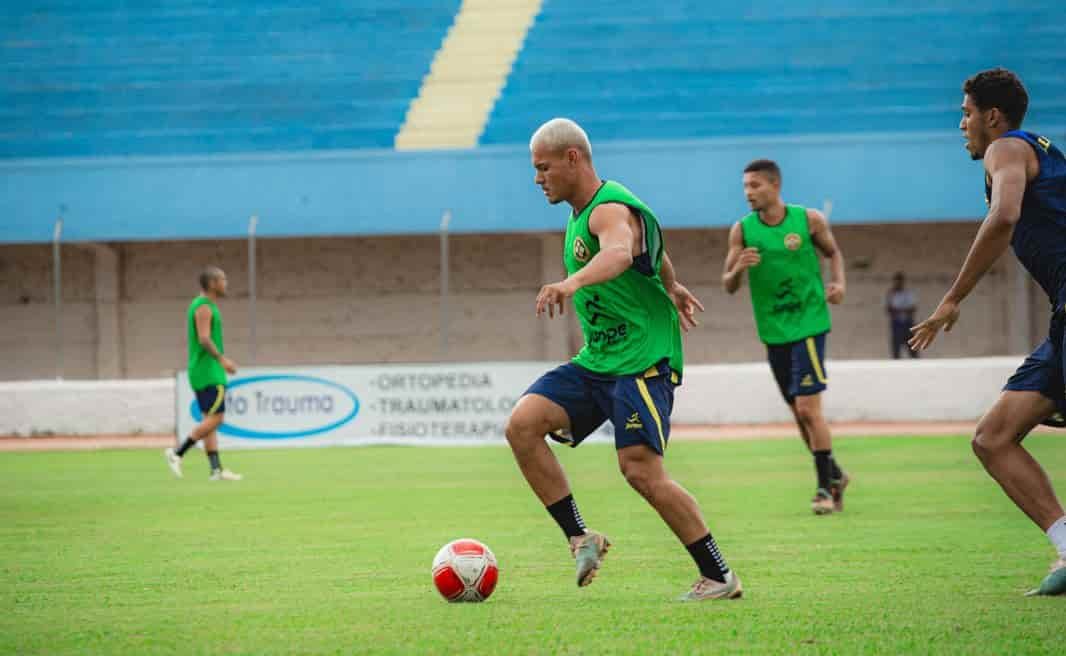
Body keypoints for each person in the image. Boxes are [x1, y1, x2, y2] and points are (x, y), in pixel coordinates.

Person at [505, 118, 741, 601]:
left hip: (642, 360)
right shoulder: (582, 214)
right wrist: (670, 284)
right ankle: (580, 538)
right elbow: (650, 252)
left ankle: (719, 576)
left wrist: (571, 283)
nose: (536, 179)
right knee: (523, 425)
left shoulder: (607, 209)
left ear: (573, 158)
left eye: (542, 167)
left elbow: (618, 251)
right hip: (601, 359)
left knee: (640, 472)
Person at [909, 68, 1066, 596]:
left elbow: (1004, 216)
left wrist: (952, 299)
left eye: (965, 113)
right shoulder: (1038, 150)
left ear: (991, 117)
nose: (961, 124)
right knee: (993, 438)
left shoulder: (1007, 148)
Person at [723, 159, 850, 515]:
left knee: (810, 409)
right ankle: (836, 474)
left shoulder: (808, 220)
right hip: (773, 331)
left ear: (775, 185)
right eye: (745, 186)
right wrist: (737, 269)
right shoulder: (742, 231)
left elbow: (833, 252)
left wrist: (838, 283)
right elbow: (727, 285)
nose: (748, 193)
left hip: (808, 323)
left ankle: (824, 490)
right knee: (798, 413)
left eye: (755, 186)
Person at [165, 266, 242, 481]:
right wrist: (222, 360)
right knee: (217, 418)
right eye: (223, 280)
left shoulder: (205, 306)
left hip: (204, 371)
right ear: (212, 284)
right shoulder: (204, 307)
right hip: (208, 371)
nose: (226, 284)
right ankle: (177, 452)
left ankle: (216, 470)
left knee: (210, 419)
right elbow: (204, 338)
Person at [886, 272, 919, 359]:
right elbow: (889, 309)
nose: (898, 283)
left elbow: (912, 309)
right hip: (896, 324)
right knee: (896, 349)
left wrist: (899, 310)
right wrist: (902, 310)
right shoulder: (891, 294)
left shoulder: (908, 293)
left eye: (899, 281)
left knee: (912, 348)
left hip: (908, 323)